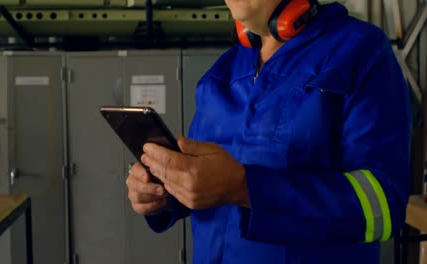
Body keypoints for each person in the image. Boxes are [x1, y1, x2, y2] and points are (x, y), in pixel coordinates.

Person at [126, 0, 412, 263]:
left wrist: (246, 188)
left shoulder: (359, 52)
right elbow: (207, 187)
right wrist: (161, 194)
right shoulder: (221, 74)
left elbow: (384, 206)